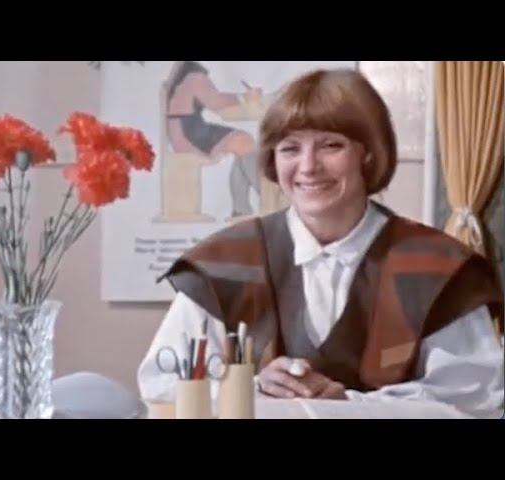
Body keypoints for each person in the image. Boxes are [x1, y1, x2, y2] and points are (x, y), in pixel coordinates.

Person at [138, 68, 504, 418]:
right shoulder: (223, 261)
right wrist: (251, 389)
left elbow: (476, 401)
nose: (308, 166)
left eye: (331, 145)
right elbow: (161, 385)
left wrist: (346, 405)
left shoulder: (439, 267)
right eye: (290, 148)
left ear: (369, 152)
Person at [164, 61, 264, 217]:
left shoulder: (183, 73)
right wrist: (245, 97)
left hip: (183, 129)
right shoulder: (194, 75)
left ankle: (242, 209)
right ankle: (266, 199)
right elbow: (215, 102)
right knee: (243, 141)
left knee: (242, 143)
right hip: (188, 133)